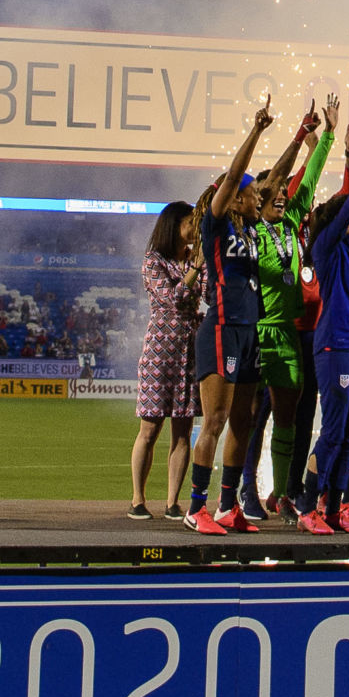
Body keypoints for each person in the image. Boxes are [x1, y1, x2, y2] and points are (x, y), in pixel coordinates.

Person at [185, 98, 293, 536]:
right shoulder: (217, 225)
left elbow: (278, 179)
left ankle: (229, 505)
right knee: (214, 419)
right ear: (233, 201)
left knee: (243, 421)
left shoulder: (252, 230)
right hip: (222, 329)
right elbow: (234, 177)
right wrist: (257, 133)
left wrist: (302, 135)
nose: (257, 198)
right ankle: (197, 507)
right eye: (250, 194)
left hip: (250, 334)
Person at [242, 95, 337, 519]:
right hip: (257, 331)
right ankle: (243, 491)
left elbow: (309, 178)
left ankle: (279, 493)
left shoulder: (293, 223)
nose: (282, 195)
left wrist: (328, 138)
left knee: (287, 417)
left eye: (284, 192)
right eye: (274, 192)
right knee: (250, 417)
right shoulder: (254, 228)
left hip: (289, 335)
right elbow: (276, 178)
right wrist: (300, 135)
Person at [300, 118, 349, 535]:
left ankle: (334, 510)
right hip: (336, 348)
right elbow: (348, 202)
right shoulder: (327, 248)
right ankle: (307, 505)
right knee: (332, 433)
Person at [128, 201, 200, 521]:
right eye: (189, 224)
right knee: (150, 428)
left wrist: (201, 266)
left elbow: (209, 295)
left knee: (183, 431)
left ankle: (172, 502)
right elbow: (172, 300)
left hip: (190, 351)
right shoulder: (153, 261)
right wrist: (196, 270)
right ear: (174, 226)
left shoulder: (194, 260)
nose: (194, 229)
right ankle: (138, 499)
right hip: (160, 351)